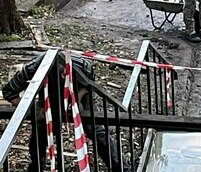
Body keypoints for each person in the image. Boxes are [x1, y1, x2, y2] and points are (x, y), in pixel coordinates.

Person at [3, 52, 131, 172]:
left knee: (93, 128)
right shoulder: (34, 68)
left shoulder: (84, 67)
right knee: (40, 128)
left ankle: (120, 167)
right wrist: (34, 110)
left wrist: (77, 103)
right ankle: (37, 165)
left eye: (66, 74)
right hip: (49, 92)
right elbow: (9, 91)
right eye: (61, 74)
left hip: (79, 91)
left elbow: (88, 87)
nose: (63, 76)